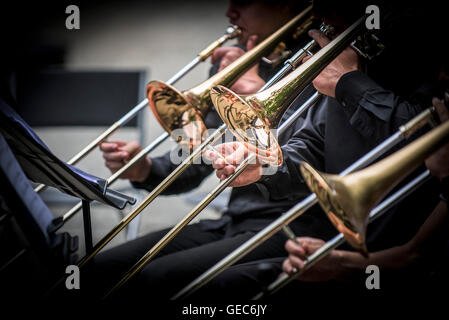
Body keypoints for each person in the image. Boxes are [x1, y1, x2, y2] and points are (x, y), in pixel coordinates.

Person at [199, 1, 445, 299]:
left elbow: (432, 142)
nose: (316, 14)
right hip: (345, 241)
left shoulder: (420, 42)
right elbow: (313, 142)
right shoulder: (348, 53)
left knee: (216, 288)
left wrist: (348, 84)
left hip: (393, 244)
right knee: (209, 286)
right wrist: (265, 164)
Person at [86, 0, 316, 300]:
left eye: (243, 2)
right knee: (102, 266)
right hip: (235, 221)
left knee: (156, 278)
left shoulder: (322, 65)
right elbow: (199, 157)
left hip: (296, 226)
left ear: (288, 6)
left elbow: (317, 156)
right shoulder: (243, 62)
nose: (230, 12)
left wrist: (256, 98)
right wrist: (145, 169)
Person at [281, 98, 449, 295]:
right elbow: (307, 142)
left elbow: (413, 260)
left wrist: (342, 264)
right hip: (361, 258)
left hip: (372, 261)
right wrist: (265, 167)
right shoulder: (334, 94)